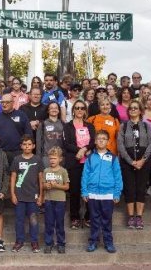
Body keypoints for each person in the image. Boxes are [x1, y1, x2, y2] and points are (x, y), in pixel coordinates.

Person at [82, 130, 123, 253]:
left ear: (108, 141)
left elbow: (118, 176)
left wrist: (117, 193)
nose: (101, 140)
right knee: (94, 220)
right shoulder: (90, 157)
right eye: (99, 138)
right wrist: (84, 191)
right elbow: (85, 175)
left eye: (104, 138)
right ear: (95, 141)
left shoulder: (113, 158)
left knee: (107, 220)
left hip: (108, 194)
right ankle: (93, 242)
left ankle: (108, 242)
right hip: (93, 194)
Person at [117, 100, 151, 229]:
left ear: (140, 111)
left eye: (135, 108)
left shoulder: (146, 126)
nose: (133, 110)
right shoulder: (123, 126)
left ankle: (139, 217)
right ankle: (131, 217)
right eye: (131, 108)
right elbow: (120, 145)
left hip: (144, 162)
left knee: (141, 189)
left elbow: (150, 144)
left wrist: (143, 160)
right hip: (127, 162)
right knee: (130, 189)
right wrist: (131, 161)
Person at [63, 100, 95, 229]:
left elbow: (93, 141)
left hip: (88, 162)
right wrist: (79, 150)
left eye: (82, 108)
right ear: (73, 110)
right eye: (77, 108)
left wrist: (85, 149)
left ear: (85, 111)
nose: (80, 110)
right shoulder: (68, 126)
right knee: (75, 191)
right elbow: (66, 144)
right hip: (74, 161)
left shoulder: (90, 126)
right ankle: (75, 217)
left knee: (89, 189)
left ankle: (88, 216)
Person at [10, 135, 44, 253]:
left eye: (29, 144)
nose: (27, 146)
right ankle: (19, 241)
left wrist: (41, 195)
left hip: (33, 197)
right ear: (21, 146)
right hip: (19, 196)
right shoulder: (17, 159)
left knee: (33, 220)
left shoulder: (37, 160)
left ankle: (34, 241)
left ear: (33, 146)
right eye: (24, 144)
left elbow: (40, 178)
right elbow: (13, 177)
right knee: (19, 220)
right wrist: (13, 194)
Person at [0, 93, 33, 166]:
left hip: (19, 153)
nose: (4, 104)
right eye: (2, 102)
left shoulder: (21, 115)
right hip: (1, 153)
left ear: (13, 103)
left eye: (7, 102)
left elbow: (28, 135)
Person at [43, 147, 70, 254]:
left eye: (54, 158)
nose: (52, 160)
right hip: (49, 200)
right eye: (50, 159)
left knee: (59, 223)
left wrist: (57, 185)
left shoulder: (63, 171)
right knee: (49, 222)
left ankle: (61, 244)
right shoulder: (46, 170)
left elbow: (67, 187)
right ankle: (49, 243)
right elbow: (43, 185)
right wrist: (47, 186)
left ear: (60, 159)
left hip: (60, 200)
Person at [36, 102, 64, 168]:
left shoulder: (63, 124)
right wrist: (38, 157)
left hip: (60, 157)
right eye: (51, 108)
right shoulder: (43, 124)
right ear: (48, 111)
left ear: (59, 110)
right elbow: (38, 142)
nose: (54, 110)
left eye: (56, 108)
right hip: (46, 157)